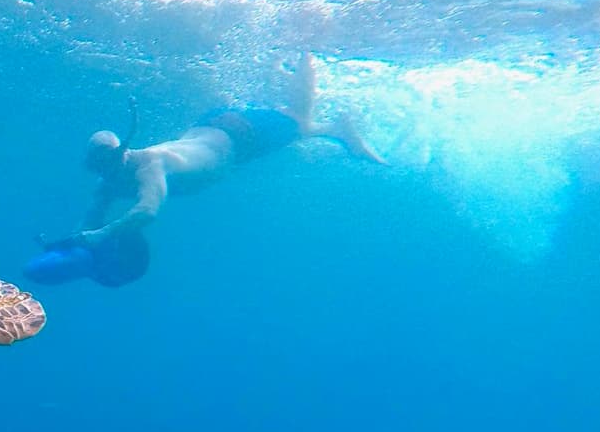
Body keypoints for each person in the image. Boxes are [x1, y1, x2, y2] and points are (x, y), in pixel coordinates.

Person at [28, 55, 382, 287]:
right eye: (98, 170)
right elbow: (91, 217)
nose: (103, 176)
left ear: (120, 155)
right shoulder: (112, 181)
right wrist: (75, 242)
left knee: (301, 121)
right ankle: (296, 80)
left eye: (104, 167)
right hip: (217, 131)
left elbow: (147, 210)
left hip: (240, 137)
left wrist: (103, 234)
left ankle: (329, 102)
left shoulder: (149, 165)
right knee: (292, 121)